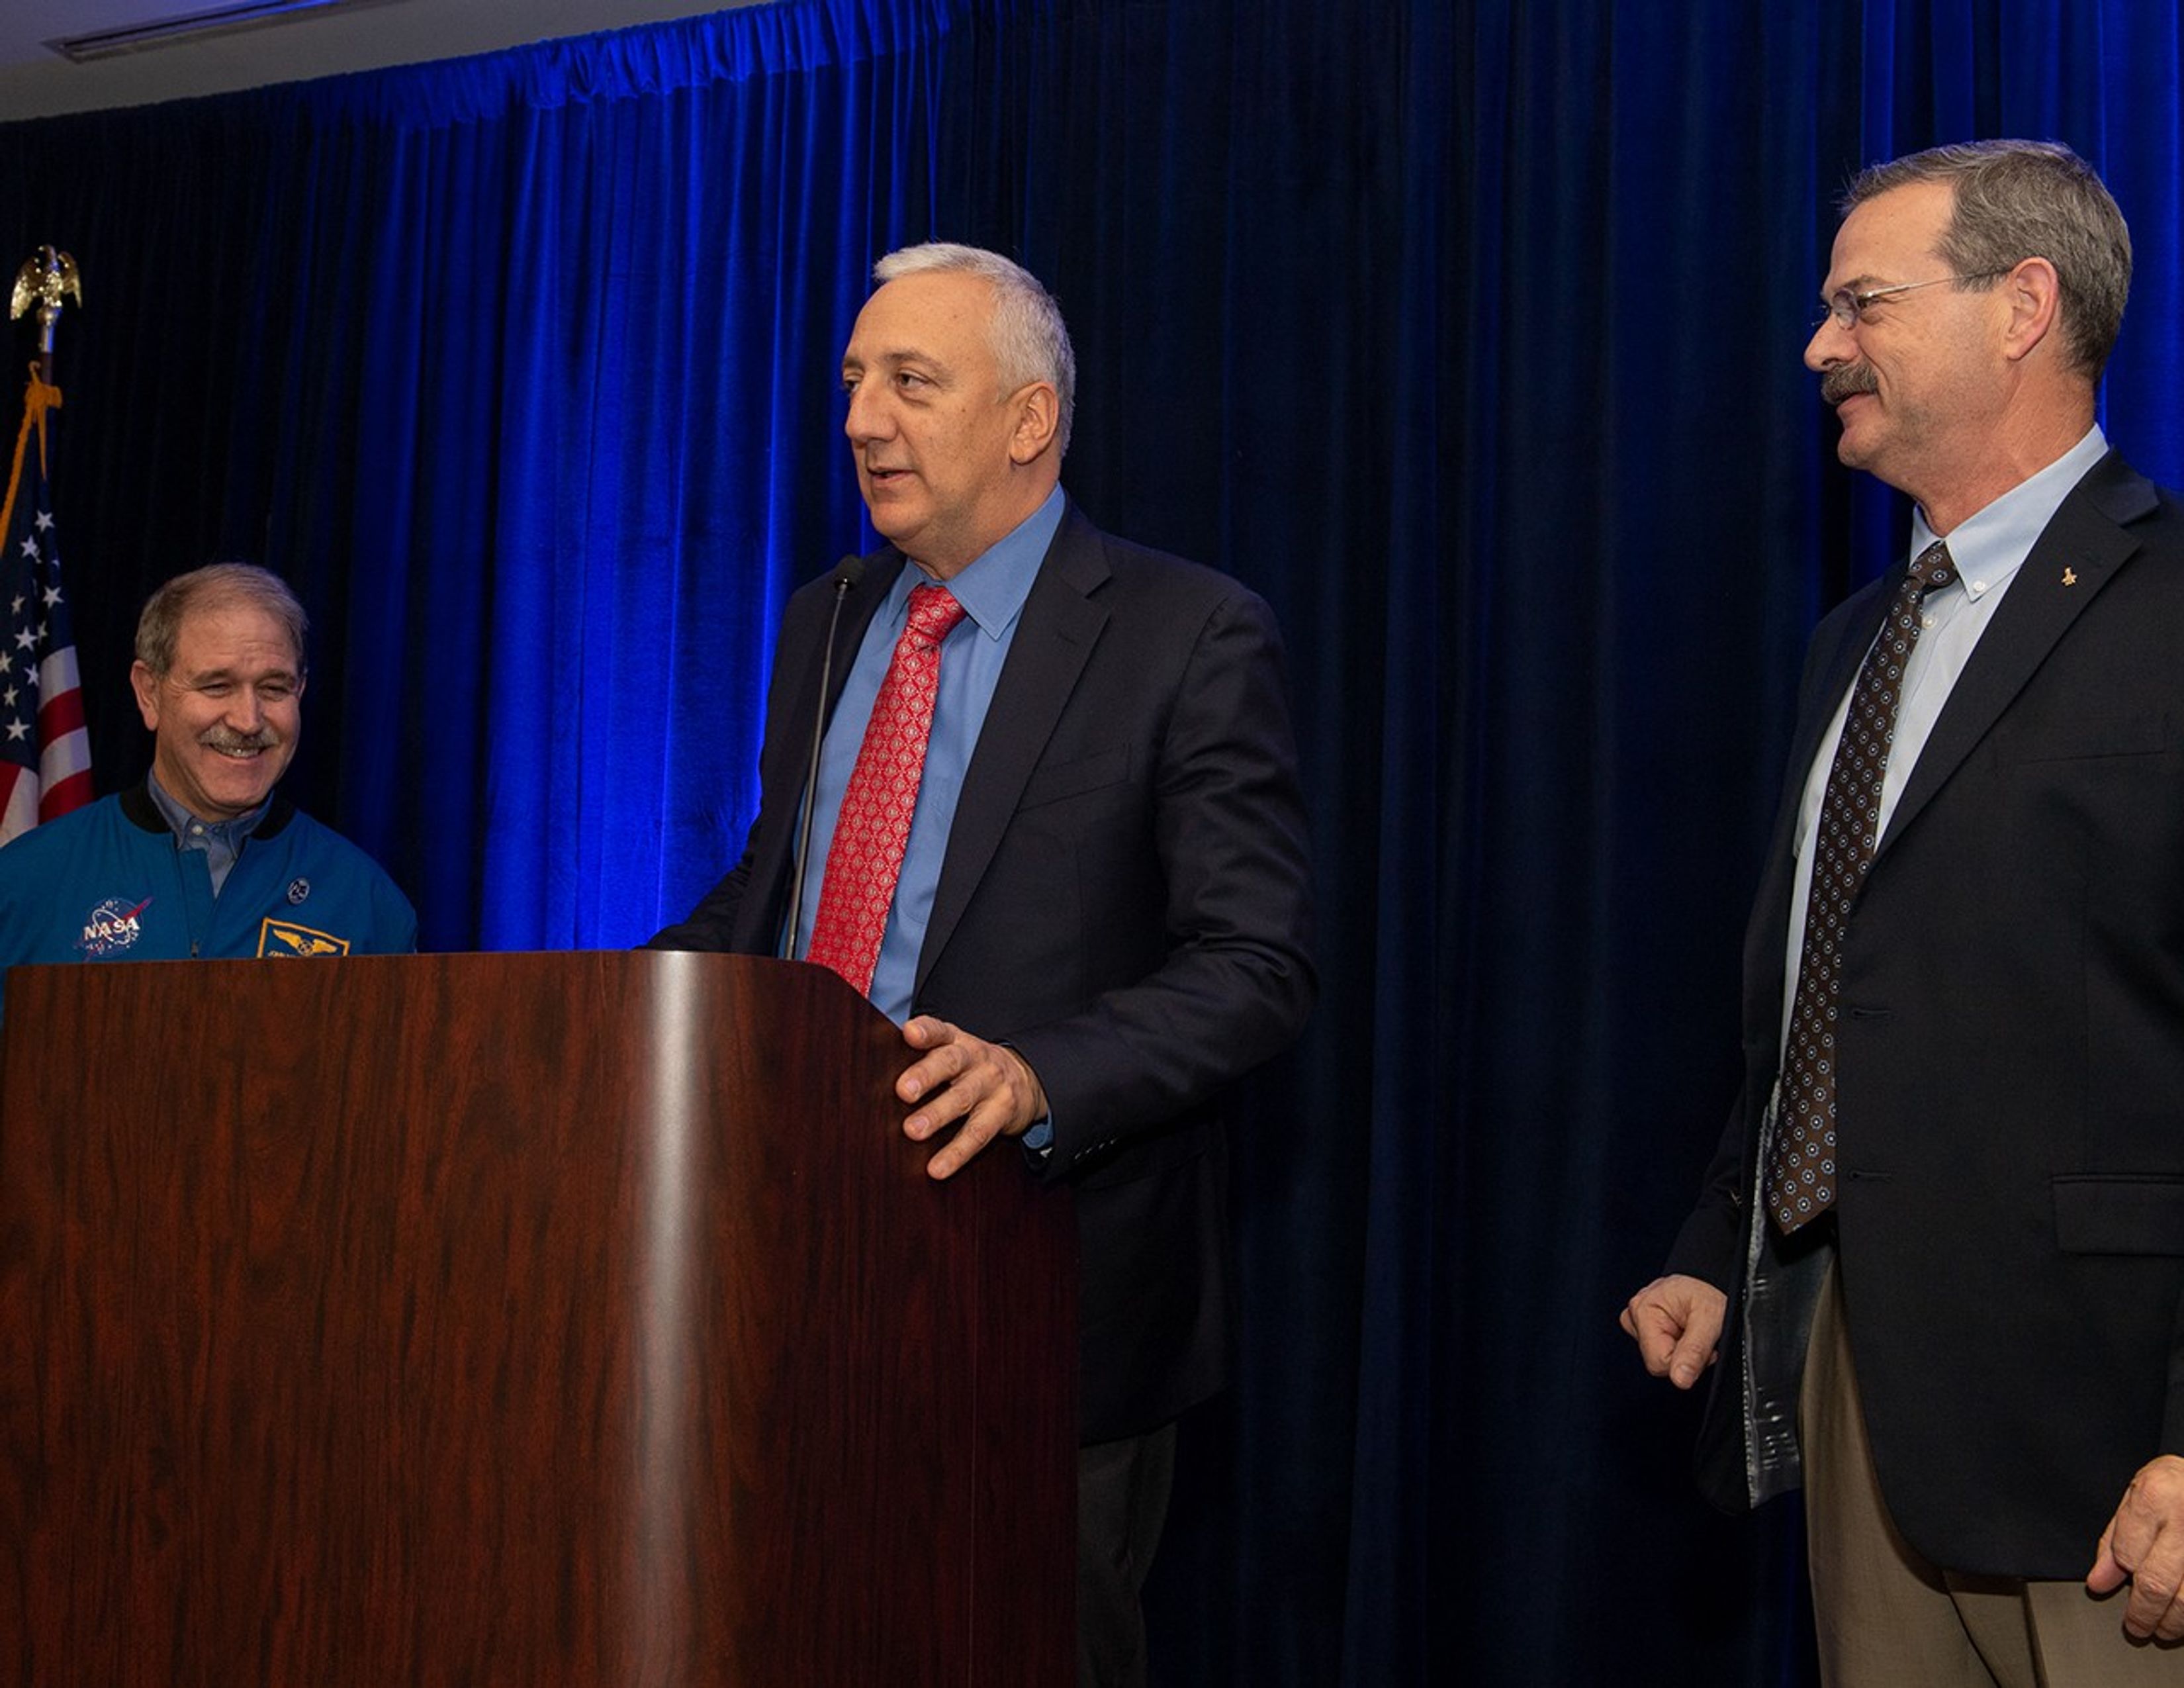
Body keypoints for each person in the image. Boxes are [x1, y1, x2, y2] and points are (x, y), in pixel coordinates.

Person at [650, 242, 1314, 1685]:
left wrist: (1040, 1076)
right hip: (791, 1259)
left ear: (1028, 419)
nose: (860, 419)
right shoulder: (826, 619)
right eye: (851, 383)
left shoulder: (1186, 633)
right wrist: (614, 1017)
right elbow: (777, 892)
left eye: (909, 381)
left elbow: (1259, 961)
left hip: (1045, 1282)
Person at [1621, 140, 2184, 1686]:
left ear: (2020, 306)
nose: (1818, 344)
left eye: (1861, 301)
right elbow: (1826, 993)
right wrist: (1717, 1242)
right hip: (1859, 1398)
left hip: (2112, 1461)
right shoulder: (1853, 638)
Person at [0, 563, 415, 1000]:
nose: (248, 720)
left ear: (301, 693)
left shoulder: (367, 905)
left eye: (274, 688)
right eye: (217, 686)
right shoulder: (25, 882)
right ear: (149, 693)